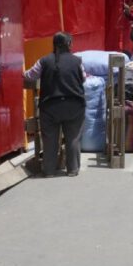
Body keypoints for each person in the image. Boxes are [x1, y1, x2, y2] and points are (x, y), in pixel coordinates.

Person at [24, 32, 86, 178]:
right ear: (69, 44)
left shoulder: (43, 61)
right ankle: (72, 170)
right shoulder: (77, 61)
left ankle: (49, 171)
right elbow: (83, 79)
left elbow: (30, 75)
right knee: (73, 138)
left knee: (50, 139)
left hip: (50, 107)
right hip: (74, 107)